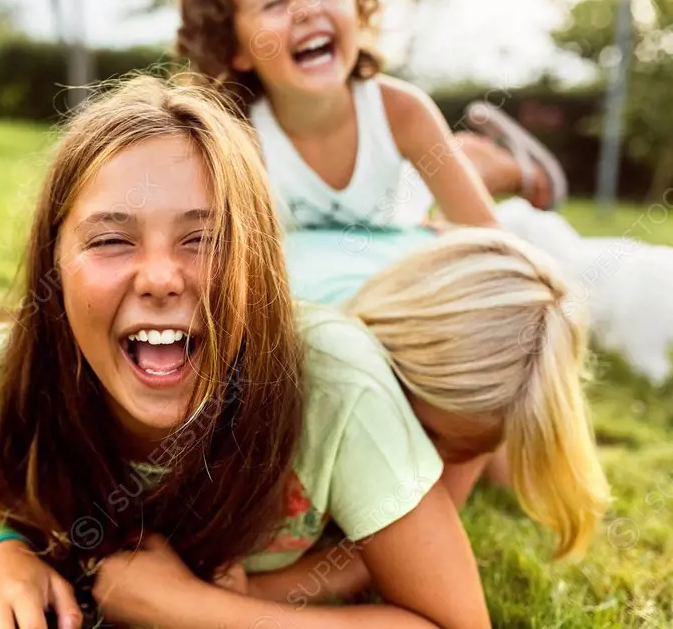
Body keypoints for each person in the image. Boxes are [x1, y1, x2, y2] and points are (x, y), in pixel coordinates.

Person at [0, 75, 492, 629]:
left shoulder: (337, 384)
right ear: (54, 265)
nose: (161, 278)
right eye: (112, 239)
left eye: (206, 239)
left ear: (259, 264)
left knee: (485, 443)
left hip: (418, 382)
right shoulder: (3, 368)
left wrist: (187, 610)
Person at [175, 0, 672, 386]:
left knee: (567, 271)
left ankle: (502, 171)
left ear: (357, 2)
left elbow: (490, 240)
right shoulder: (241, 137)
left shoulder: (399, 110)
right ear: (236, 47)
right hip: (375, 249)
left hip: (412, 236)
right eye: (275, 2)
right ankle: (486, 165)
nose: (307, 9)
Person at [243, 225, 611, 601]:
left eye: (463, 451)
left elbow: (383, 552)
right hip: (342, 258)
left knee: (510, 475)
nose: (432, 460)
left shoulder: (480, 399)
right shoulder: (308, 361)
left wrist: (253, 593)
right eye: (424, 433)